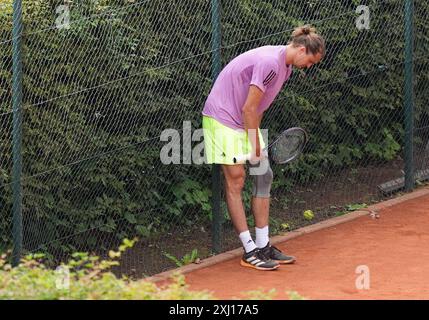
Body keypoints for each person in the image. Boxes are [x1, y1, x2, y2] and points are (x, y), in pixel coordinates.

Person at [202, 25, 325, 271]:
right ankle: (249, 250)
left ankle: (264, 244)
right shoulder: (270, 62)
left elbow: (258, 108)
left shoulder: (286, 69)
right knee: (236, 180)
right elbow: (249, 108)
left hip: (243, 118)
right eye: (310, 61)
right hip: (223, 118)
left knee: (264, 175)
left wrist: (255, 145)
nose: (308, 66)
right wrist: (256, 146)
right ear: (301, 49)